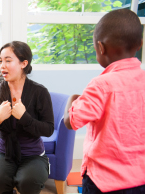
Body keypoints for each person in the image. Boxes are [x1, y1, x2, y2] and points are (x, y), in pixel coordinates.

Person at [64, 9, 145, 194]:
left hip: (103, 182)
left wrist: (72, 99)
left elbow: (72, 121)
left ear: (101, 48)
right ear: (139, 44)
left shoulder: (101, 85)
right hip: (140, 179)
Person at [0, 41, 54, 194]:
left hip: (33, 153)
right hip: (4, 152)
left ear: (24, 63)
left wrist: (25, 117)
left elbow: (48, 129)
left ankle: (40, 167)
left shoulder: (39, 92)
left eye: (8, 60)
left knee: (28, 182)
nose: (2, 65)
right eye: (0, 61)